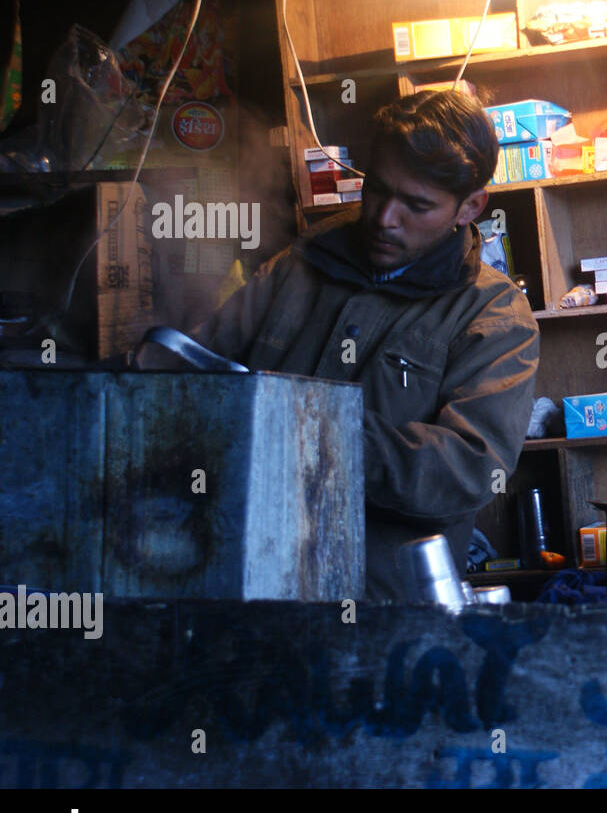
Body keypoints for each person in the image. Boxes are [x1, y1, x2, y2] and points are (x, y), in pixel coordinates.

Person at [184, 90, 539, 601]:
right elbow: (205, 361)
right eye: (377, 190)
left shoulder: (494, 315)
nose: (384, 218)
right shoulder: (305, 259)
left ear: (470, 206)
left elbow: (469, 469)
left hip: (378, 603)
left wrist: (317, 434)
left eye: (417, 205)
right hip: (239, 573)